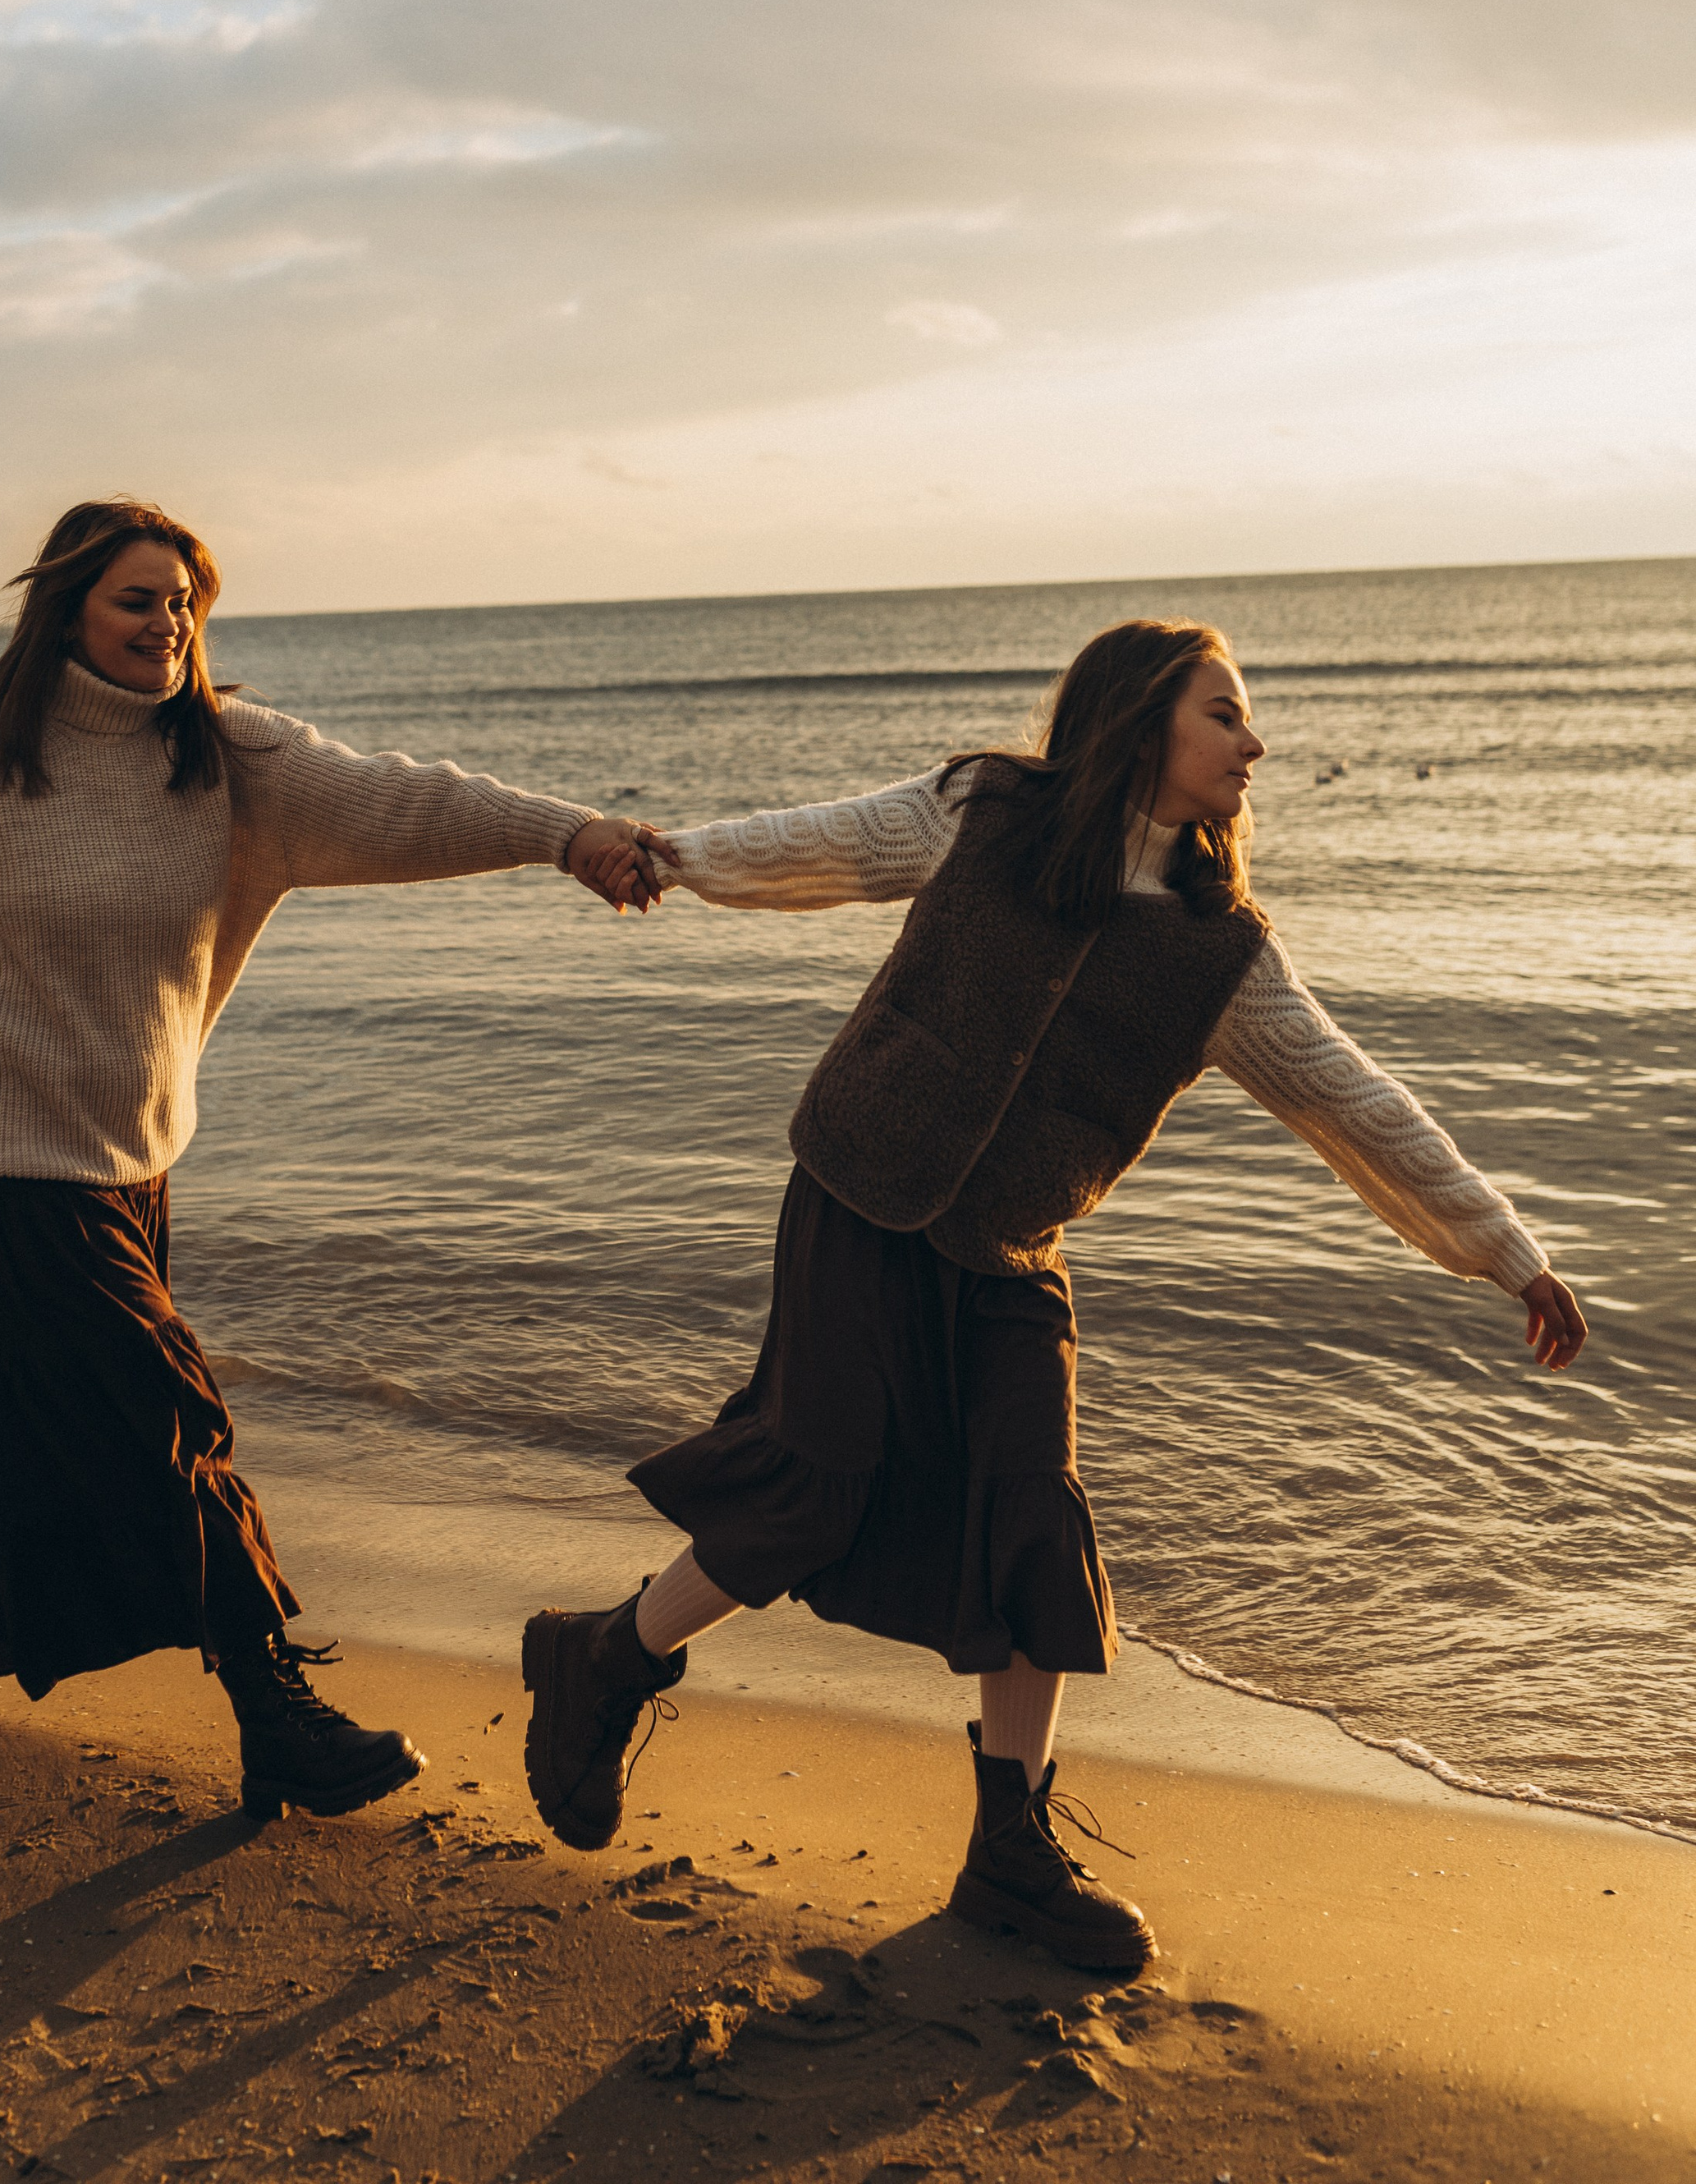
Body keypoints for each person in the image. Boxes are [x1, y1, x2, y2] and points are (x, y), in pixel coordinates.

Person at [520, 620, 1585, 1975]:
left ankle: (1007, 1851)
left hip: (1014, 1248)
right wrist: (675, 860)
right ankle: (607, 1657)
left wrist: (1506, 1249)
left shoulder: (1222, 954)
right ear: (1144, 722)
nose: (1254, 745)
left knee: (1030, 1521)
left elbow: (1350, 1103)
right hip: (862, 1192)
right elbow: (830, 845)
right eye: (1229, 715)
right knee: (816, 1484)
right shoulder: (988, 814)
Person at [0, 497, 658, 1821]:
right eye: (140, 599)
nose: (169, 622)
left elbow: (402, 800)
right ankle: (275, 1712)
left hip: (128, 1172)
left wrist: (567, 835)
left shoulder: (230, 759)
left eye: (186, 601)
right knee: (166, 1423)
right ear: (69, 609)